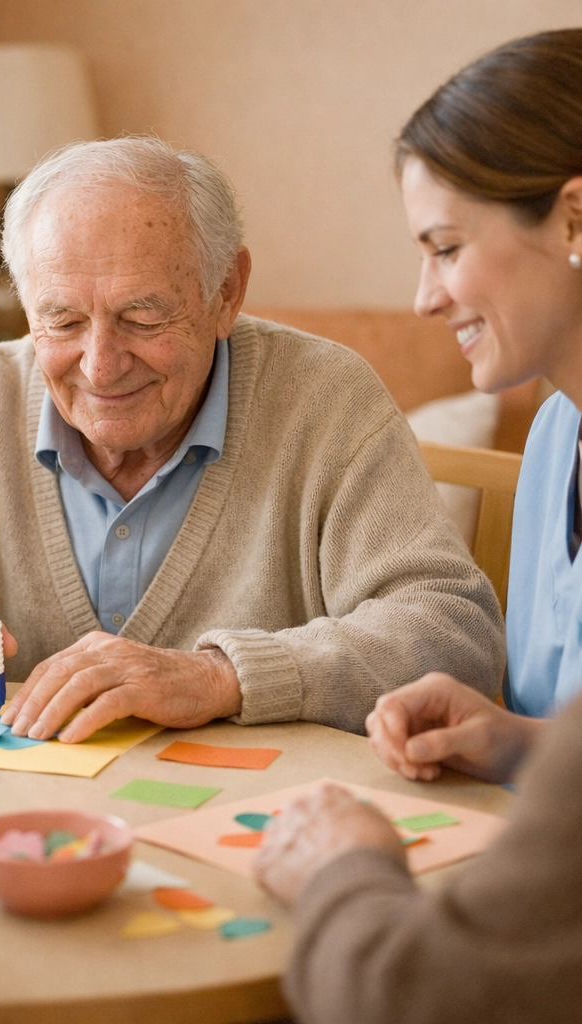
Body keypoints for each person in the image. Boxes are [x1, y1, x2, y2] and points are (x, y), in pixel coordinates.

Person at [0, 135, 503, 744]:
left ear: (227, 292)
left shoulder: (326, 401)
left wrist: (219, 676)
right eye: (61, 320)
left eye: (142, 317)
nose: (99, 363)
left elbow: (453, 635)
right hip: (13, 839)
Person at [253, 29, 582, 1024]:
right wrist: (522, 745)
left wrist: (343, 866)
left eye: (445, 248)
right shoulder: (560, 435)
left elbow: (417, 999)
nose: (423, 295)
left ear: (574, 215)